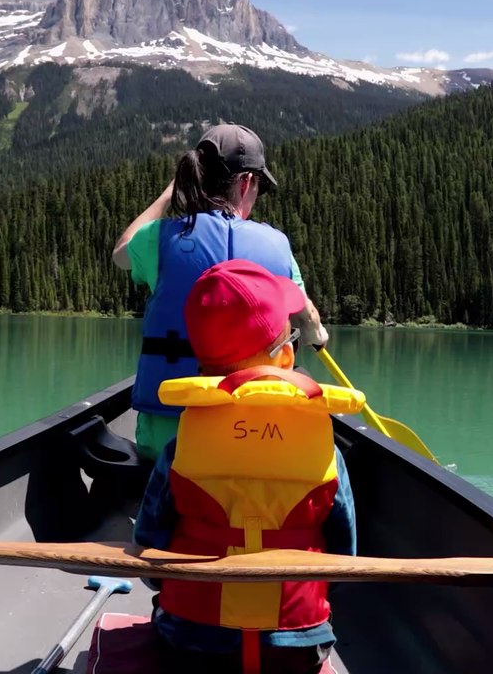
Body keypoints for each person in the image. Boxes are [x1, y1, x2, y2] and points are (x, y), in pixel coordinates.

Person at [133, 259, 363, 674]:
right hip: (296, 646)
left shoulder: (180, 447)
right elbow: (343, 561)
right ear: (287, 355)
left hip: (193, 642)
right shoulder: (327, 450)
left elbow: (150, 545)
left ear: (201, 368)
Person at [112, 124, 328, 460]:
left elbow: (121, 252)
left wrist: (168, 195)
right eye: (258, 186)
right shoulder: (276, 246)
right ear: (245, 183)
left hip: (166, 443)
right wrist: (317, 335)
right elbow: (307, 315)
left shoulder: (160, 239)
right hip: (251, 440)